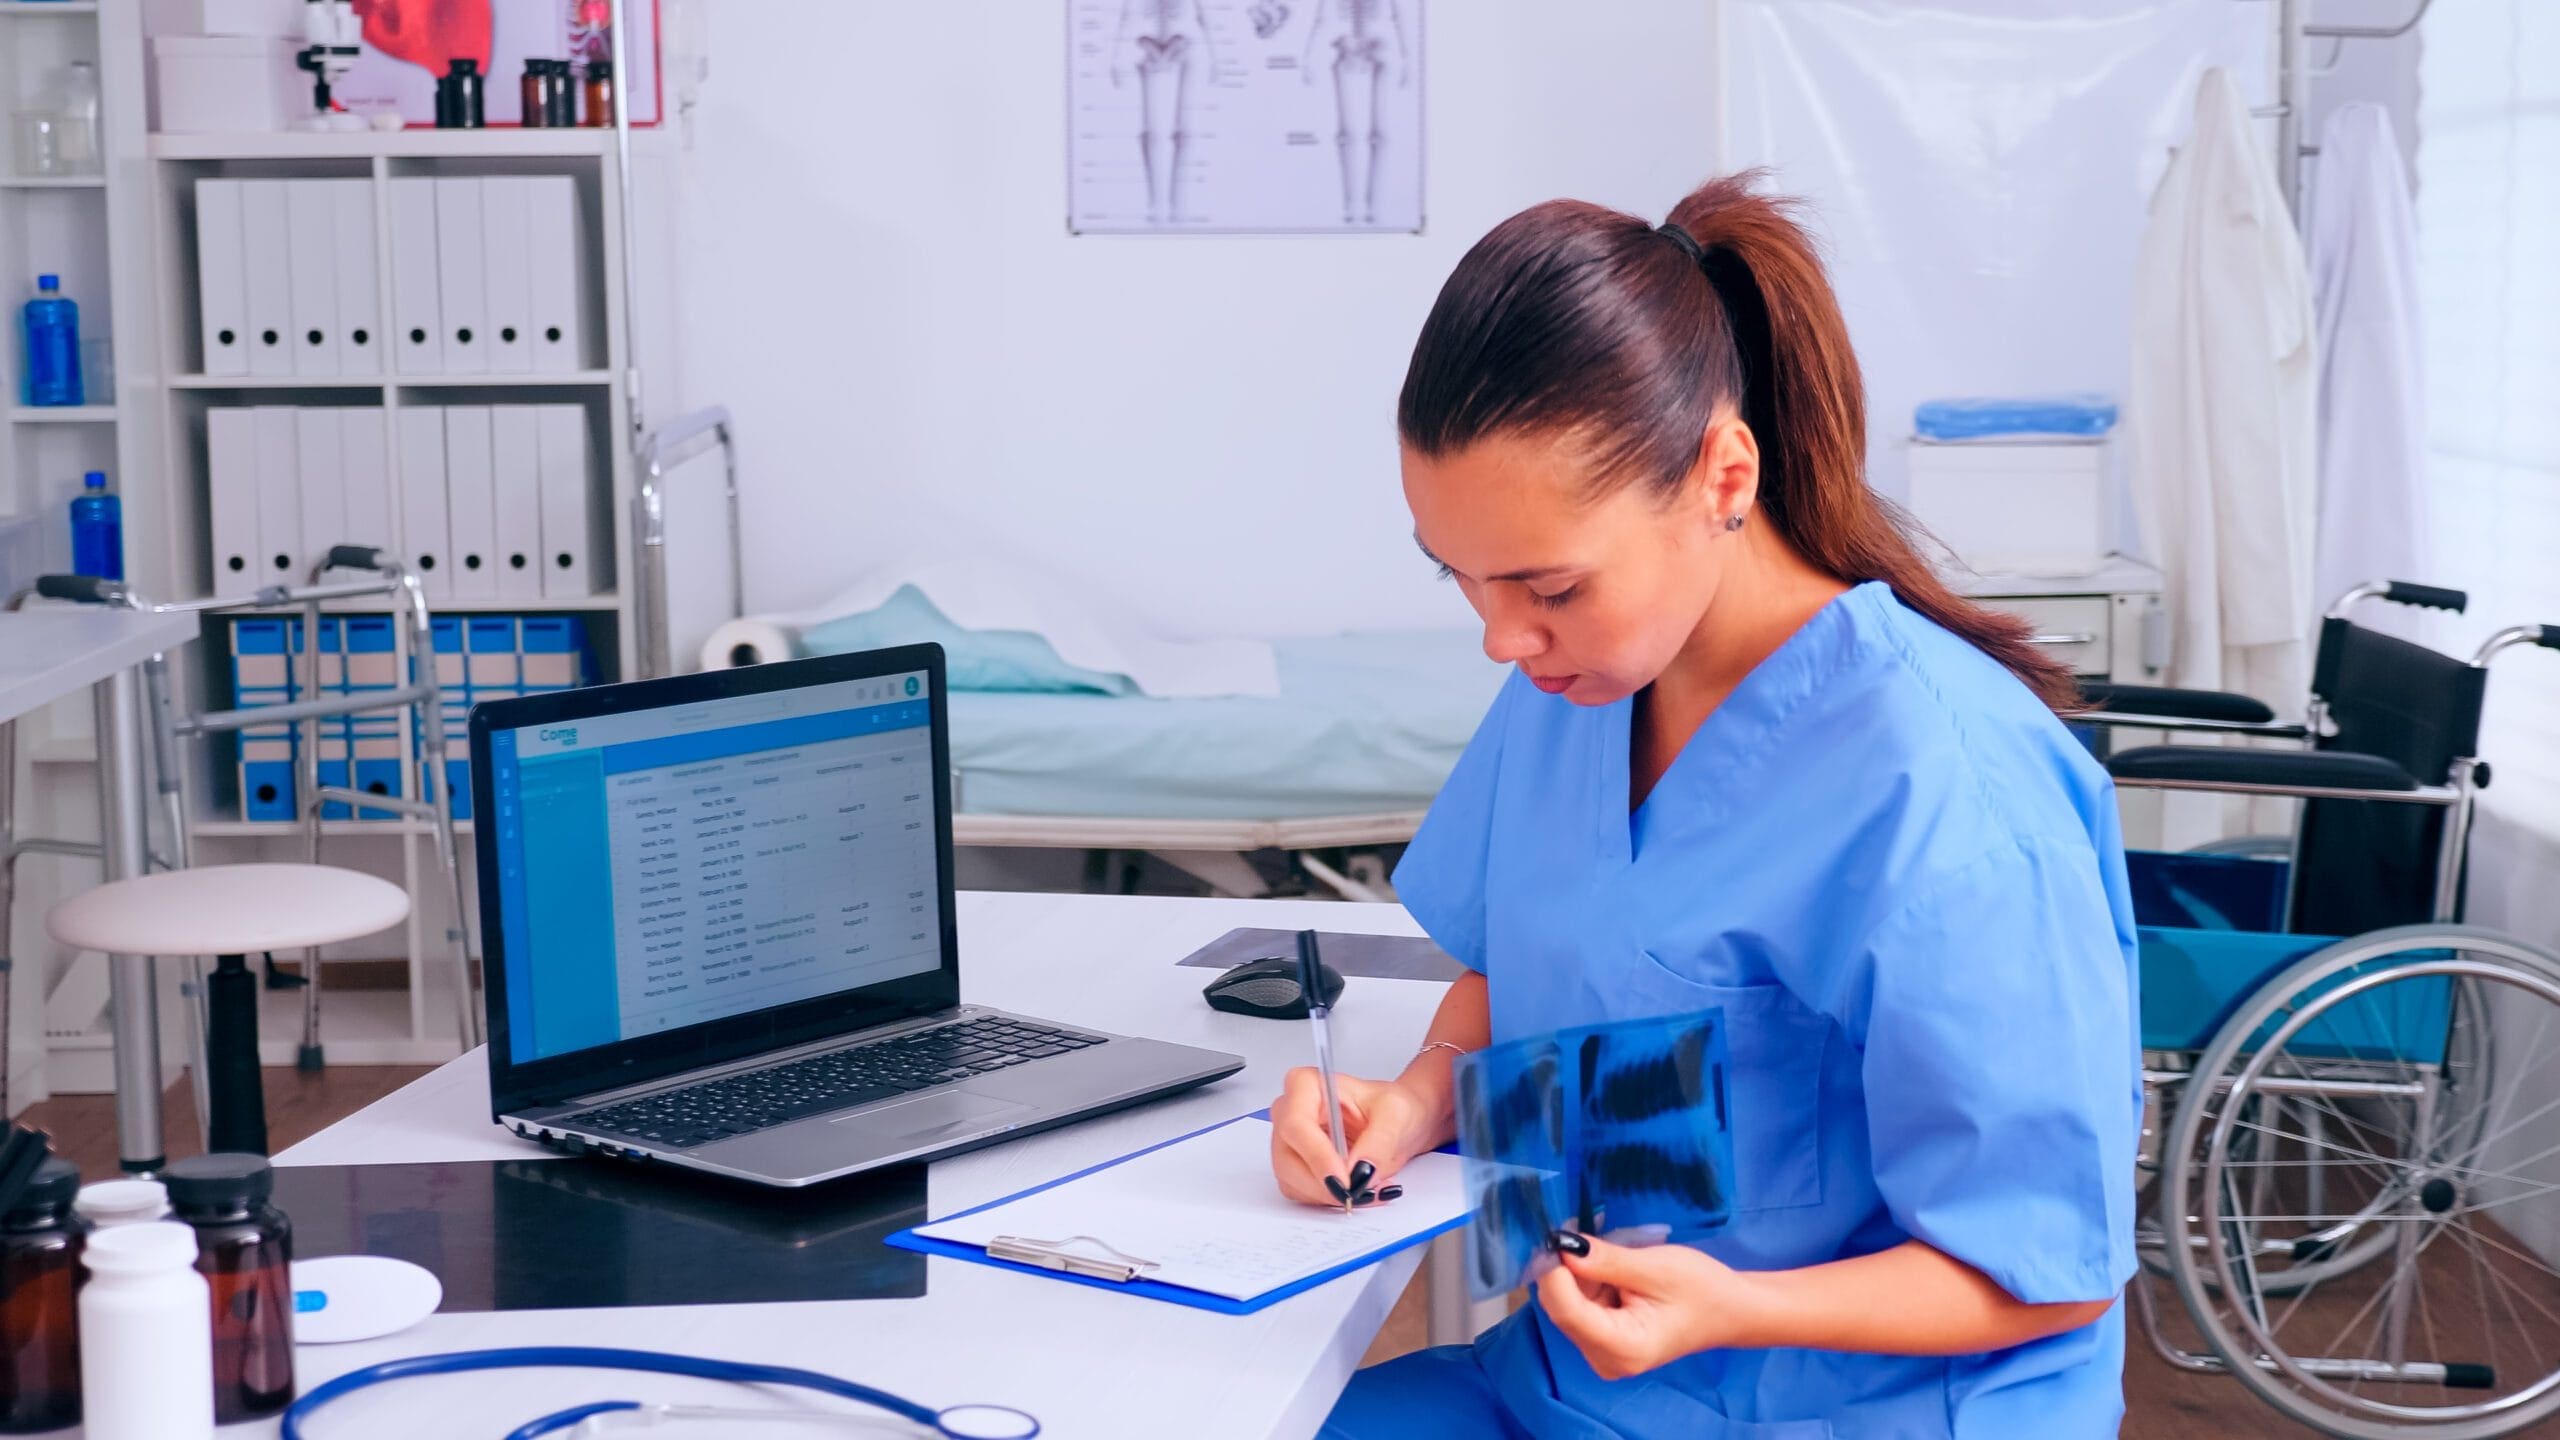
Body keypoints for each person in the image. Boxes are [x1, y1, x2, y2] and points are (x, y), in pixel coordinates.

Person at [1271, 173, 2140, 1437]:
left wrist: (1731, 1309)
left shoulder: (1950, 799)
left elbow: (2045, 1274)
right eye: (1458, 577)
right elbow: (1545, 966)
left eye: (1546, 584)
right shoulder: (1578, 685)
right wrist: (1411, 1101)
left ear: (1722, 475)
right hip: (1574, 1383)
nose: (1501, 637)